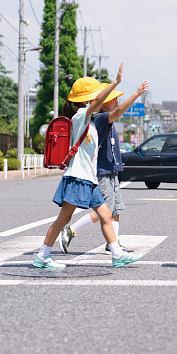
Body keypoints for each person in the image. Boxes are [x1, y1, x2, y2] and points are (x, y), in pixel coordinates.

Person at [33, 63, 144, 269]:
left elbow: (110, 108)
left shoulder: (91, 121)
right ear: (87, 99)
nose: (99, 98)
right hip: (77, 177)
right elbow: (100, 103)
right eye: (96, 95)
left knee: (106, 214)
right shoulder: (80, 116)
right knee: (63, 219)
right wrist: (115, 82)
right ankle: (43, 255)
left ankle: (117, 254)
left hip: (89, 178)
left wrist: (131, 92)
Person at [58, 80, 150, 255]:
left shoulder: (105, 119)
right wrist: (137, 94)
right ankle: (70, 230)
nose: (116, 101)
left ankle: (113, 243)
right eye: (112, 98)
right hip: (101, 171)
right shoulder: (100, 118)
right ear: (102, 102)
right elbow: (119, 111)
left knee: (116, 208)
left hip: (111, 170)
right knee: (105, 209)